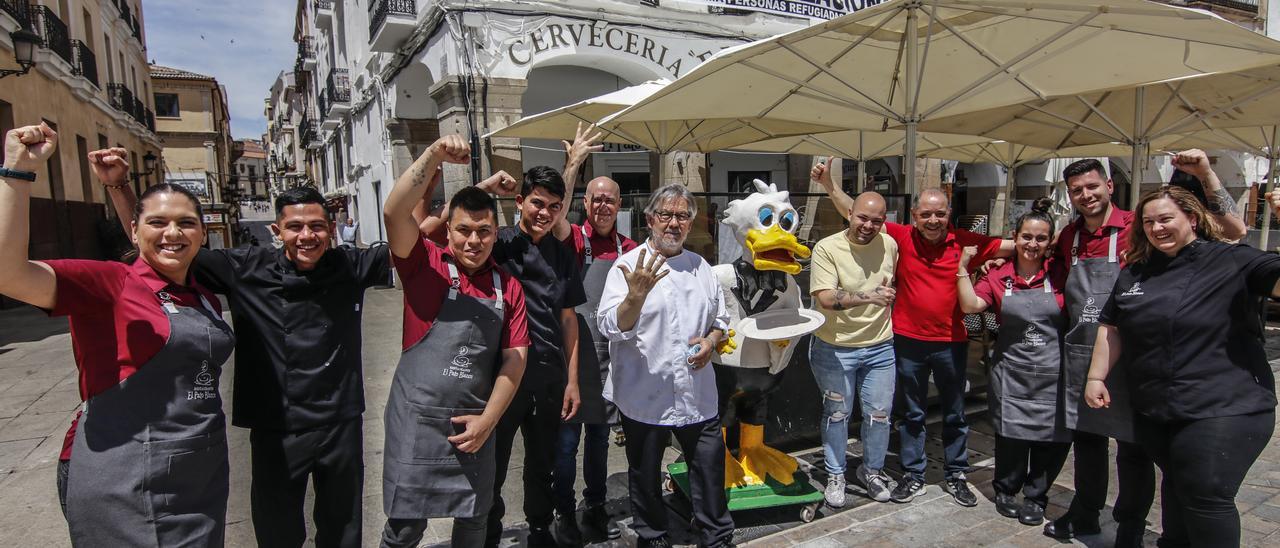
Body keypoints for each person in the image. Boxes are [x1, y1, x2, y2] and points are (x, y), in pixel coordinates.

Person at [98, 152, 390, 548]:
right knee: (277, 529)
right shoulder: (243, 268)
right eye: (295, 227)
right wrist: (119, 187)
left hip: (341, 421)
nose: (307, 236)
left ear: (332, 228)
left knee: (343, 527)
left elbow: (411, 237)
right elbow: (165, 243)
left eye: (317, 226)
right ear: (277, 229)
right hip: (275, 425)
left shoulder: (350, 265)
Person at [0, 124, 234, 546]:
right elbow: (9, 274)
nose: (173, 233)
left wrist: (120, 184)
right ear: (134, 230)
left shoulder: (200, 295)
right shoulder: (108, 282)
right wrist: (17, 172)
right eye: (158, 222)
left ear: (203, 232)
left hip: (199, 478)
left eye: (186, 223)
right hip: (124, 478)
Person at [1085, 186, 1280, 547]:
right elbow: (1111, 327)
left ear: (1191, 218)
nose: (1157, 228)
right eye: (1148, 222)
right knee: (1177, 485)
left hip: (1224, 406)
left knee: (1206, 495)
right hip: (1158, 409)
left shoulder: (1231, 259)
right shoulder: (1136, 272)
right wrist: (1096, 376)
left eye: (1165, 218)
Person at [812, 158, 1012, 507]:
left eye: (940, 214)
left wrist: (1057, 247)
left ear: (949, 214)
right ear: (914, 216)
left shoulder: (962, 241)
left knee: (949, 412)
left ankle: (953, 474)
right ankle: (909, 474)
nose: (933, 220)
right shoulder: (898, 237)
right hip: (899, 342)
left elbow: (1019, 246)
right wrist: (830, 186)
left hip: (945, 341)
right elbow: (858, 213)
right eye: (926, 214)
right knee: (907, 414)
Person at [415, 163, 586, 547]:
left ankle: (540, 529)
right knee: (491, 466)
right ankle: (487, 534)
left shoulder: (562, 255)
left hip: (548, 377)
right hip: (497, 380)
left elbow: (569, 321)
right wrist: (487, 185)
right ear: (520, 201)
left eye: (555, 207)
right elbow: (450, 224)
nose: (544, 213)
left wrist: (572, 380)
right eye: (537, 203)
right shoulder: (497, 242)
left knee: (542, 465)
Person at [379, 135, 530, 547]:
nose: (473, 241)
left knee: (474, 521)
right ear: (448, 231)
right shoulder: (423, 265)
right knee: (404, 529)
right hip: (416, 423)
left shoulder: (508, 286)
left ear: (495, 232)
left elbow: (514, 361)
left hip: (475, 424)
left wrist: (488, 421)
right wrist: (432, 155)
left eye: (483, 231)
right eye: (463, 230)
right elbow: (394, 212)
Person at [597, 183, 735, 548]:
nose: (674, 223)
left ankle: (717, 537)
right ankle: (653, 536)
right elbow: (609, 325)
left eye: (682, 216)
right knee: (644, 474)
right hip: (645, 395)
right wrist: (635, 296)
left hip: (698, 393)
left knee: (708, 468)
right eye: (666, 215)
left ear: (691, 223)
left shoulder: (701, 267)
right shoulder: (626, 266)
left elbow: (722, 319)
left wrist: (710, 341)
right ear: (650, 220)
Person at [957, 198, 1071, 527]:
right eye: (1026, 237)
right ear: (1015, 237)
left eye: (1041, 238)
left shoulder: (1061, 274)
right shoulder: (998, 275)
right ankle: (1006, 490)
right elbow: (970, 305)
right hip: (1012, 370)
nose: (1032, 244)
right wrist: (963, 268)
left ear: (1050, 242)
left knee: (1052, 438)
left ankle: (1036, 496)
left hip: (1054, 370)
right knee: (1010, 435)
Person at [549, 124, 629, 544]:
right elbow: (553, 215)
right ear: (586, 201)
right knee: (565, 447)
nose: (602, 205)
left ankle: (594, 506)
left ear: (619, 205)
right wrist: (574, 162)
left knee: (599, 445)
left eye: (609, 200)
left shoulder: (630, 249)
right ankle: (563, 511)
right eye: (596, 198)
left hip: (609, 369)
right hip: (570, 365)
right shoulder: (573, 239)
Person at [807, 191, 900, 507]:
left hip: (880, 347)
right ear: (850, 214)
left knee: (879, 415)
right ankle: (836, 474)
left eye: (876, 220)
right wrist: (870, 297)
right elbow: (826, 299)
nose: (868, 225)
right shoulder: (827, 248)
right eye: (862, 217)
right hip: (835, 349)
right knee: (837, 414)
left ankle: (871, 471)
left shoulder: (889, 244)